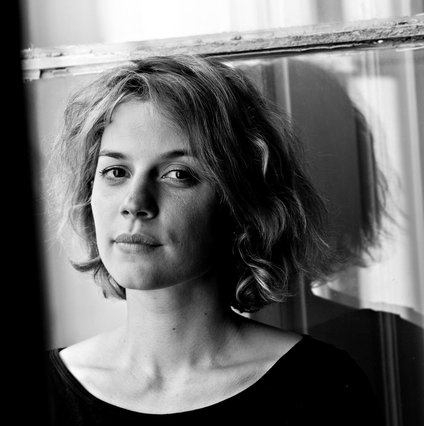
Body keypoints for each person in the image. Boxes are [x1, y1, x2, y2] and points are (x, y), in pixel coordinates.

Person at [45, 54, 382, 424]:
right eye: (115, 171)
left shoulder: (321, 387)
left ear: (240, 202)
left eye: (178, 174)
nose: (135, 203)